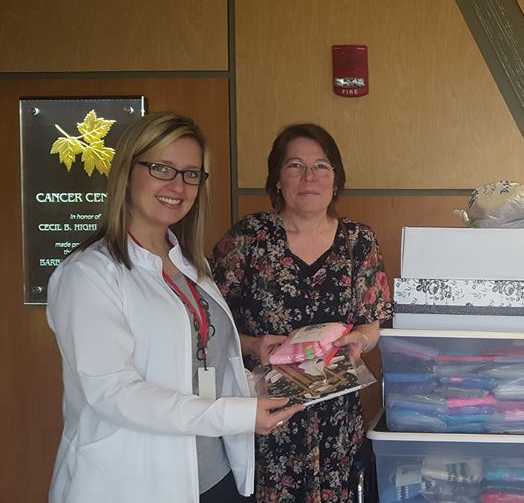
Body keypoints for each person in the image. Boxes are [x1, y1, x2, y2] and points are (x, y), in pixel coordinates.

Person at [47, 113, 302, 503]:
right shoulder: (88, 274)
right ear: (127, 171)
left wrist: (261, 380)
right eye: (161, 168)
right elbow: (113, 392)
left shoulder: (190, 265)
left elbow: (199, 365)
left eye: (190, 174)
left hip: (214, 473)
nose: (177, 186)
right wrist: (236, 414)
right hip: (134, 484)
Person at [212, 123, 392, 502]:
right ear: (277, 179)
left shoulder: (359, 241)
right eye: (295, 166)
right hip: (266, 414)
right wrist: (252, 344)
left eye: (321, 166)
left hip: (336, 417)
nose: (309, 177)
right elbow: (210, 324)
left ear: (336, 180)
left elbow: (372, 323)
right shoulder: (248, 238)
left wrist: (360, 340)